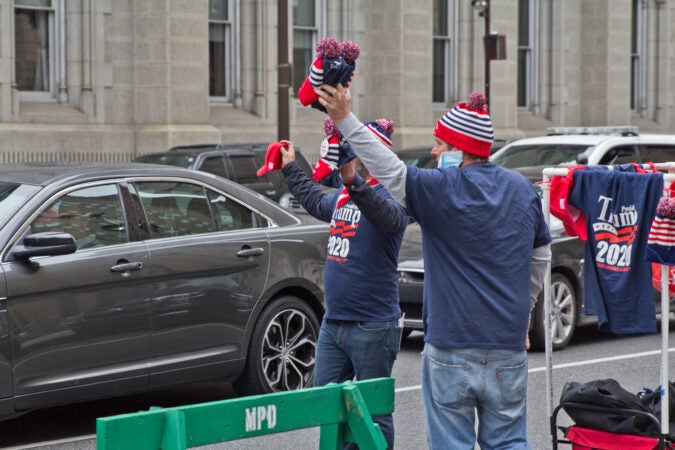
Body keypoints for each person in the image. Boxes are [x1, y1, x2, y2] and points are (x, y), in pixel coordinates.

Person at [315, 85, 552, 450]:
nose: (434, 151)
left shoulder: (440, 187)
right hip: (508, 347)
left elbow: (388, 169)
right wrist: (526, 313)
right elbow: (541, 257)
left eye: (440, 144)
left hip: (451, 347)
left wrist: (344, 118)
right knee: (508, 442)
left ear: (460, 149)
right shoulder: (523, 190)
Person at [278, 124, 407, 449]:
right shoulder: (344, 196)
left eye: (357, 146)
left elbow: (387, 218)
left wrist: (352, 180)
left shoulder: (393, 197)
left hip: (373, 325)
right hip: (334, 324)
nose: (349, 151)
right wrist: (291, 166)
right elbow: (314, 200)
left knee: (373, 414)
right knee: (326, 406)